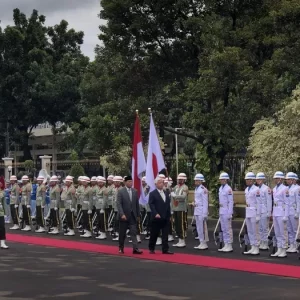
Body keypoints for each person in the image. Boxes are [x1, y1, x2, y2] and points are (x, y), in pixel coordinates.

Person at [116, 175, 142, 254]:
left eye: (131, 181)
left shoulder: (135, 191)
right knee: (122, 233)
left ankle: (135, 248)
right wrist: (122, 214)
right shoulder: (121, 191)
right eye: (129, 181)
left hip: (133, 216)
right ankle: (121, 247)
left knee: (133, 232)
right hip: (124, 216)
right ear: (125, 182)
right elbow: (119, 204)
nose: (131, 183)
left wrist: (138, 215)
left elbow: (136, 204)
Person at [148, 176, 173, 254]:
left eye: (162, 182)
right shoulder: (152, 194)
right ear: (156, 184)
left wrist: (170, 215)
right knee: (154, 234)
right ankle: (151, 248)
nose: (161, 184)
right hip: (157, 217)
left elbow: (168, 205)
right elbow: (151, 205)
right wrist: (155, 213)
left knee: (165, 234)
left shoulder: (166, 193)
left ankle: (165, 249)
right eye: (160, 183)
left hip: (165, 217)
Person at [271, 171, 288, 258]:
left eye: (277, 178)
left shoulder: (285, 189)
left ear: (281, 179)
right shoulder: (274, 189)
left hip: (282, 212)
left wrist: (286, 214)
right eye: (275, 178)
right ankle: (279, 248)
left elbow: (287, 202)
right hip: (275, 211)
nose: (275, 180)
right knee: (277, 232)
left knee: (283, 232)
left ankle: (284, 249)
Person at [243, 172, 261, 255]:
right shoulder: (246, 189)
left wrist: (258, 214)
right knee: (250, 231)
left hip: (254, 211)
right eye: (246, 180)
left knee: (255, 231)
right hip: (248, 211)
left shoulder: (256, 190)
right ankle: (252, 246)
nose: (247, 181)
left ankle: (256, 247)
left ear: (252, 180)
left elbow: (259, 203)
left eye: (248, 180)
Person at [171, 173, 189, 248]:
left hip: (181, 208)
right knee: (177, 224)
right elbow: (171, 191)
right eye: (179, 179)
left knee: (181, 224)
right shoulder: (176, 187)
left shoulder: (185, 187)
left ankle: (182, 240)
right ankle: (179, 239)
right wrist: (169, 186)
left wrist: (175, 196)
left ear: (184, 180)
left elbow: (183, 197)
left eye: (181, 179)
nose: (179, 180)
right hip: (175, 208)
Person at [255, 172, 272, 250]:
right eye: (257, 179)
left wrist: (269, 211)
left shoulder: (266, 188)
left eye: (258, 179)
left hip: (265, 211)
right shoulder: (257, 188)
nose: (257, 180)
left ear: (262, 179)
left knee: (265, 228)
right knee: (260, 228)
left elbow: (269, 201)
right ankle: (261, 242)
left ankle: (265, 243)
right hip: (259, 211)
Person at [218, 172, 234, 253]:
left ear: (226, 180)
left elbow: (231, 202)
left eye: (222, 179)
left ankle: (229, 245)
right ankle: (226, 244)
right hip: (221, 210)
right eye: (220, 179)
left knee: (228, 229)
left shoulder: (228, 189)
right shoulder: (220, 188)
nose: (221, 180)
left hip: (226, 210)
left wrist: (230, 213)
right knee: (223, 229)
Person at [192, 174, 209, 250]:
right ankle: (201, 242)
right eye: (195, 180)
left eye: (197, 180)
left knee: (203, 228)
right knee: (198, 228)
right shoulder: (196, 189)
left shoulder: (203, 189)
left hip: (201, 210)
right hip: (197, 210)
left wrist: (205, 213)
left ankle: (204, 243)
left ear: (201, 181)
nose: (196, 181)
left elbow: (205, 202)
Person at [285, 172, 298, 253]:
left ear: (293, 180)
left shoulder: (297, 189)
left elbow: (298, 201)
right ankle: (291, 244)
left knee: (295, 229)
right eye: (287, 179)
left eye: (289, 179)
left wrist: (298, 212)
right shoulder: (287, 189)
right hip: (288, 211)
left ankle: (296, 245)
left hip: (294, 211)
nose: (287, 181)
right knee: (289, 229)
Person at [0, 177, 9, 249]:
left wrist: (6, 214)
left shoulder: (2, 193)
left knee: (2, 227)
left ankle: (2, 242)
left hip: (1, 213)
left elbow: (4, 204)